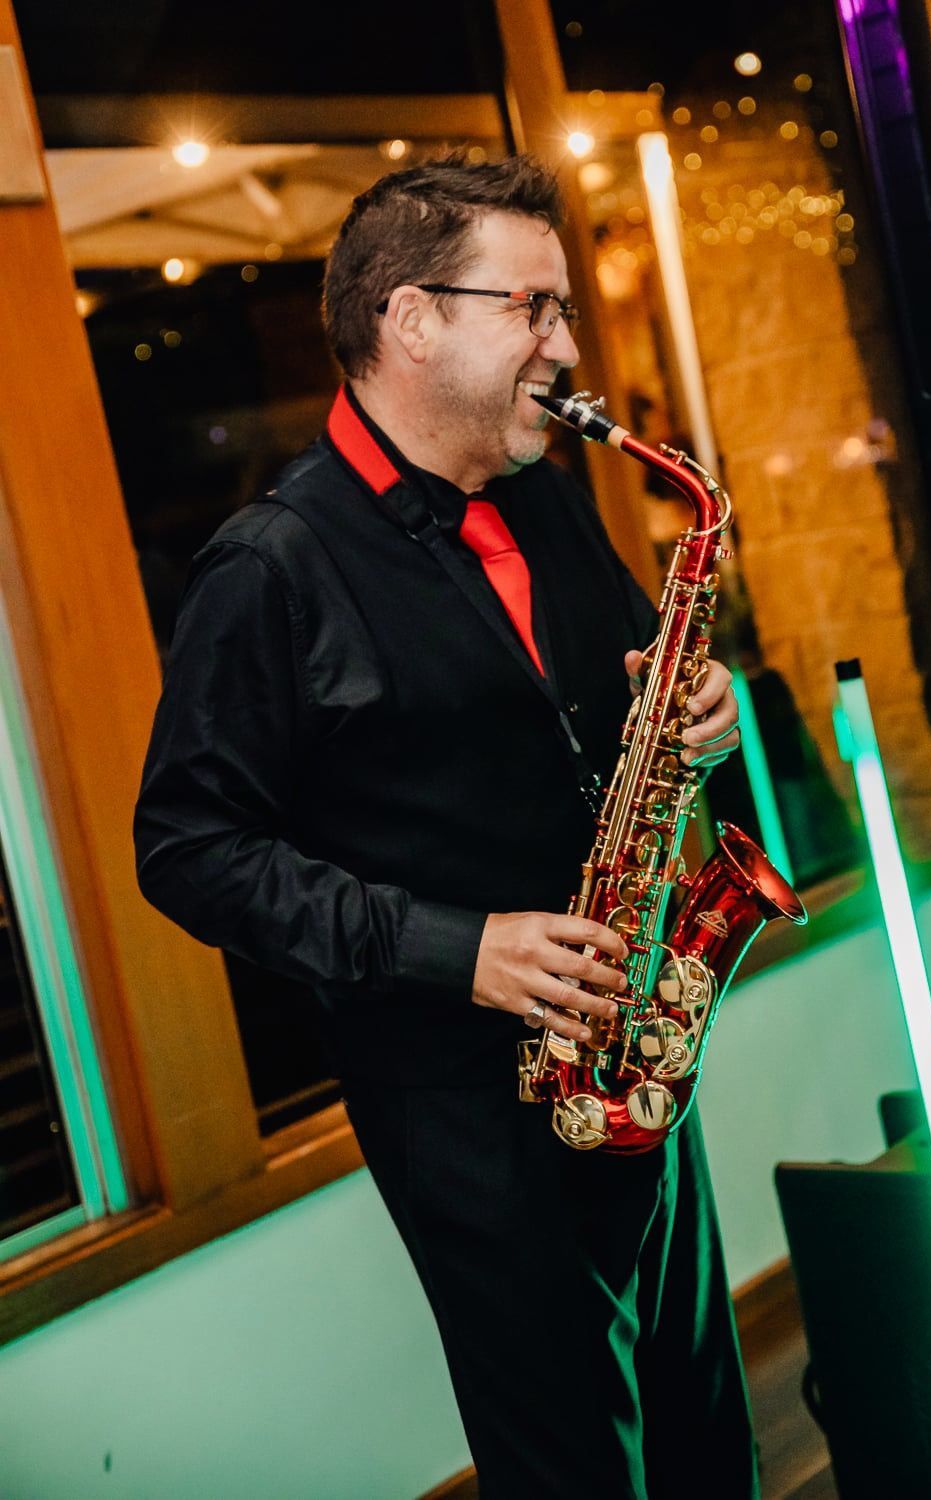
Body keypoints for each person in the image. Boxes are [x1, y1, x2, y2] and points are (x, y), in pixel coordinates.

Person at [134, 153, 751, 1499]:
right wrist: (455, 947)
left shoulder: (545, 497)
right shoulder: (272, 566)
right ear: (410, 318)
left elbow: (610, 714)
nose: (567, 345)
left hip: (630, 1047)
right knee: (575, 1463)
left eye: (565, 310)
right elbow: (188, 847)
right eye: (533, 308)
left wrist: (692, 711)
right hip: (468, 1104)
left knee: (706, 1437)